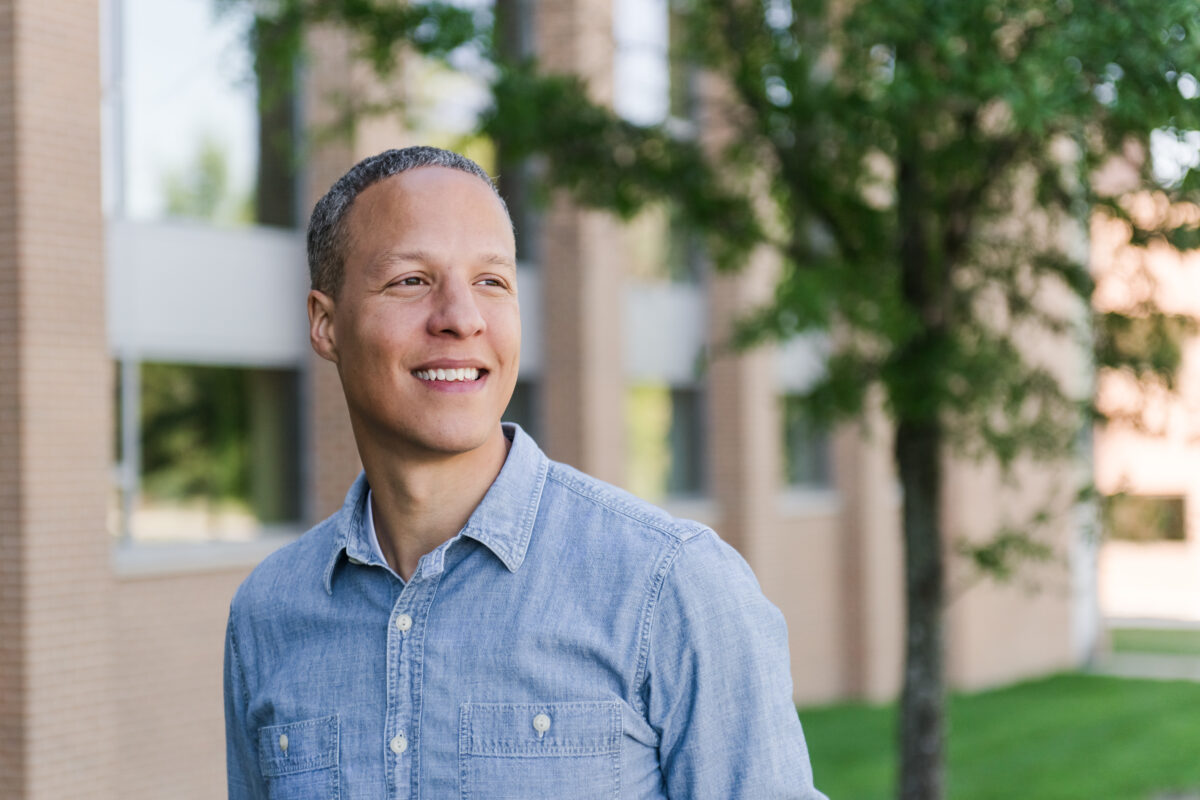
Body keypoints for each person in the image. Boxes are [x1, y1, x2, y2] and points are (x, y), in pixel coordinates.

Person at [224, 145, 827, 799]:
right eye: (412, 281)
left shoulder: (673, 586)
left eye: (492, 281)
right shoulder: (268, 615)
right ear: (325, 322)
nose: (461, 317)